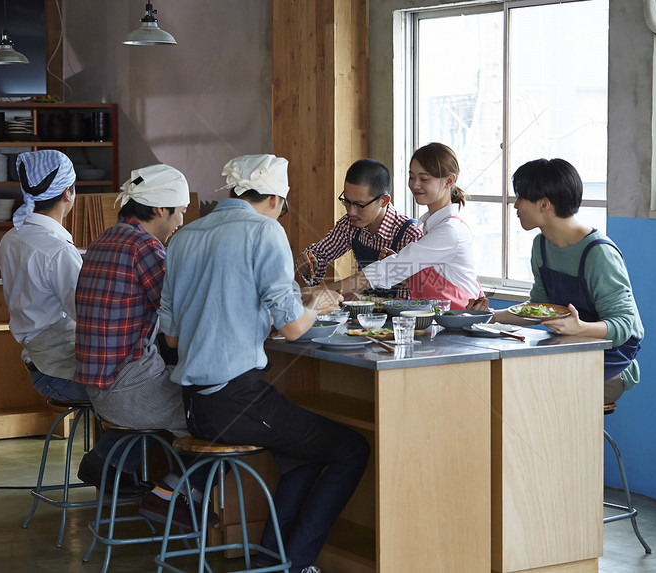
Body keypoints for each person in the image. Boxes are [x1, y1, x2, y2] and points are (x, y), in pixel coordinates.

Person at [159, 154, 368, 573]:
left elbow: (173, 337)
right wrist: (321, 302)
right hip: (236, 402)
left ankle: (274, 557)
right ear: (275, 199)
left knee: (303, 452)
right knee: (351, 448)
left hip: (193, 404)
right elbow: (293, 328)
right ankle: (297, 564)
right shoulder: (265, 231)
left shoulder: (185, 236)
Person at [73, 164, 210, 526]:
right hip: (127, 384)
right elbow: (182, 312)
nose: (181, 219)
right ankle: (169, 496)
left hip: (99, 382)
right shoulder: (145, 247)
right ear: (161, 209)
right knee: (216, 419)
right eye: (180, 211)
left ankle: (111, 457)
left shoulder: (106, 238)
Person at [0, 150, 138, 494]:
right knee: (146, 392)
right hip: (60, 373)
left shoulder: (12, 238)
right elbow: (89, 315)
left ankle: (118, 473)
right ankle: (106, 462)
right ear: (68, 193)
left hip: (39, 365)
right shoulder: (56, 251)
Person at [477, 158, 644, 404]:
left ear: (544, 204)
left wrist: (581, 329)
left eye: (521, 197)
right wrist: (489, 317)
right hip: (570, 349)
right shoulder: (541, 245)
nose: (515, 205)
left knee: (525, 394)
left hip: (611, 359)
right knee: (507, 385)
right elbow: (539, 306)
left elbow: (624, 325)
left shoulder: (599, 254)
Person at [331, 142, 482, 309]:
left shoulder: (450, 230)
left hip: (461, 321)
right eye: (411, 177)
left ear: (449, 181)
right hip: (440, 322)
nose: (415, 185)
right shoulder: (428, 226)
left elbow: (389, 269)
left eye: (424, 179)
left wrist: (327, 290)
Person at [296, 158, 422, 298]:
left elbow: (410, 303)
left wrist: (364, 300)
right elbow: (321, 253)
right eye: (347, 202)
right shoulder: (351, 224)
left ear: (384, 201)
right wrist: (309, 265)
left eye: (359, 205)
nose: (351, 212)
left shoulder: (411, 234)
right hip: (366, 316)